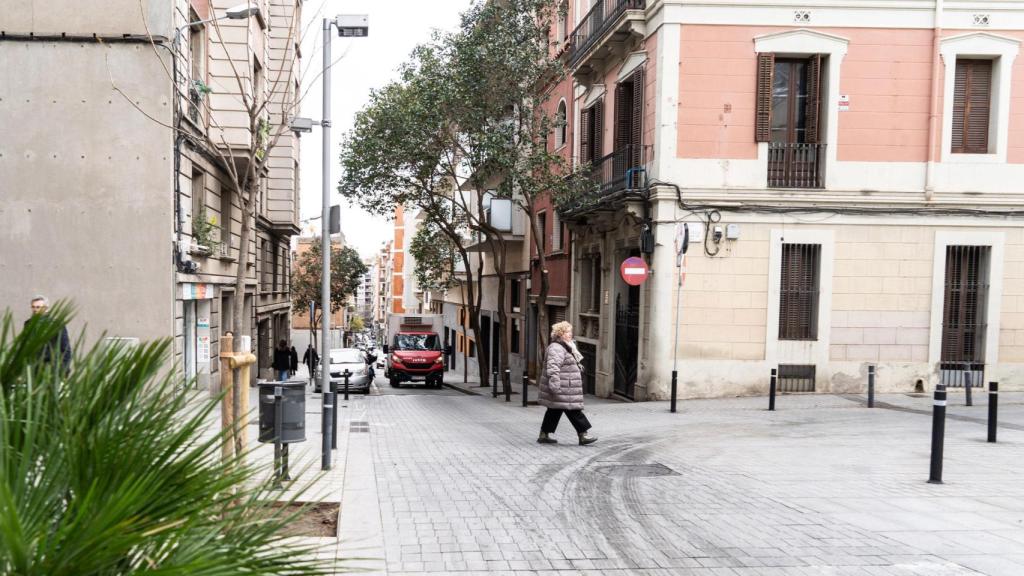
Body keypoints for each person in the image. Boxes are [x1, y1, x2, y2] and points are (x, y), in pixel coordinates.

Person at [537, 321, 597, 446]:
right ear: (560, 334)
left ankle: (544, 434)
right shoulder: (556, 348)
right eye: (567, 332)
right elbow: (553, 367)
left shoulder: (566, 346)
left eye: (570, 331)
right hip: (563, 387)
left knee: (554, 410)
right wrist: (554, 385)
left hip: (565, 386)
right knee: (573, 410)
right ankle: (583, 435)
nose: (570, 334)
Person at [26, 295, 72, 373]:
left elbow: (65, 348)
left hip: (51, 366)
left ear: (46, 309)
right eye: (33, 307)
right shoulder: (28, 324)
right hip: (33, 366)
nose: (35, 309)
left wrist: (64, 369)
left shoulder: (56, 324)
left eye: (38, 307)